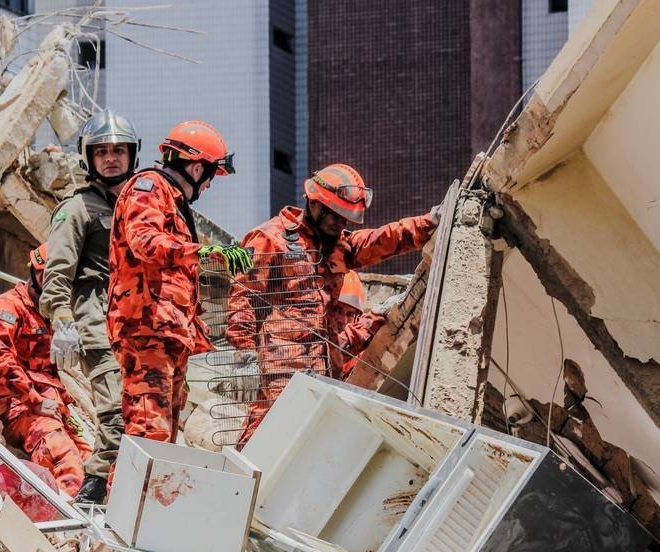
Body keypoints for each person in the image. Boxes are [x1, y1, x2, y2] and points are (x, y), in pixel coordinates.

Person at [226, 163, 440, 445]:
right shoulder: (269, 239)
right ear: (316, 205)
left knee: (309, 445)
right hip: (283, 371)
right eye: (337, 217)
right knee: (266, 439)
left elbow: (382, 239)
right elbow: (243, 296)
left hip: (324, 371)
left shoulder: (338, 246)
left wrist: (429, 222)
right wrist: (245, 356)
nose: (342, 225)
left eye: (347, 219)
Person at [106, 120, 249, 455]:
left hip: (166, 334)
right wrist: (206, 251)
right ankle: (127, 505)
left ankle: (145, 504)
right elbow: (144, 242)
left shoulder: (172, 201)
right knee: (149, 434)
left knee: (162, 439)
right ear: (197, 167)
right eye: (212, 174)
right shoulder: (149, 186)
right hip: (147, 330)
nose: (210, 185)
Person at [40, 110, 139, 504]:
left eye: (119, 150)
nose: (111, 158)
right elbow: (58, 272)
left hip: (137, 318)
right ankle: (93, 490)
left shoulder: (139, 206)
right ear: (89, 157)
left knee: (143, 412)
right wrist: (62, 320)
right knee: (116, 411)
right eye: (102, 151)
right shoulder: (77, 208)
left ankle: (125, 495)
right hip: (96, 316)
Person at [0, 244, 92, 497]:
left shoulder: (52, 317)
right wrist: (34, 400)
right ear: (35, 274)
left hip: (54, 407)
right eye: (49, 277)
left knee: (96, 464)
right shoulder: (8, 307)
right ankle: (63, 529)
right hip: (22, 407)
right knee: (66, 463)